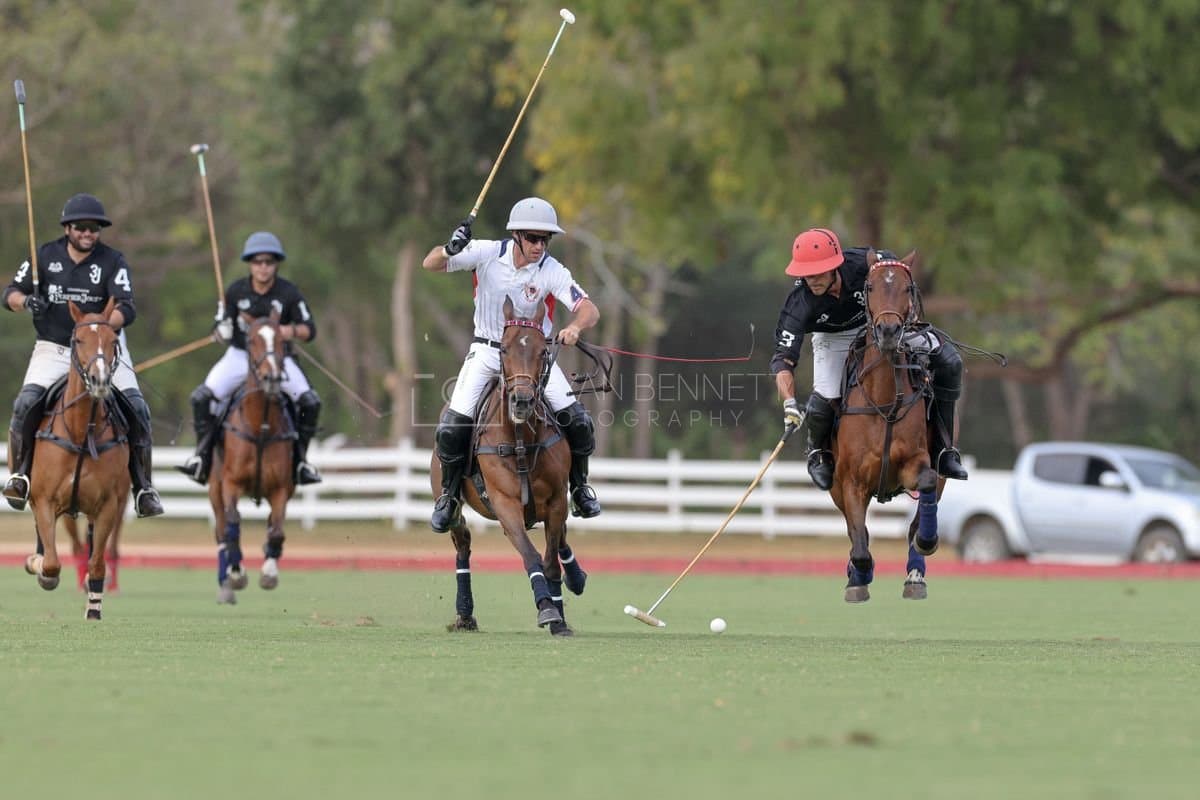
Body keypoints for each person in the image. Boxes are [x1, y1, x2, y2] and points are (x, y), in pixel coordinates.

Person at [422, 197, 602, 532]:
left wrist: (576, 327)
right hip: (487, 351)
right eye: (533, 238)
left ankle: (579, 489)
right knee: (451, 426)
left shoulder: (551, 270)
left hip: (532, 358)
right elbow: (430, 263)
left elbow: (589, 308)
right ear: (516, 235)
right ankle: (449, 496)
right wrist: (449, 249)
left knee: (579, 421)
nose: (539, 246)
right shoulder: (486, 253)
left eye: (545, 240)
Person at [2, 193, 164, 517]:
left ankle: (144, 487)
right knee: (25, 402)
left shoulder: (112, 261)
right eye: (82, 227)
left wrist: (100, 327)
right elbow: (10, 294)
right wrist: (27, 302)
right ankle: (20, 476)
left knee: (138, 408)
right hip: (55, 347)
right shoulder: (44, 256)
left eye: (94, 228)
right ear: (68, 228)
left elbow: (126, 307)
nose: (88, 233)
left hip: (102, 348)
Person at [769, 227, 968, 489]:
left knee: (950, 362)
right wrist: (790, 403)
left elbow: (896, 272)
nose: (812, 280)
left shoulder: (862, 263)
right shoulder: (799, 303)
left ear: (835, 266)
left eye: (818, 272)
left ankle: (944, 451)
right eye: (806, 274)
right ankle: (819, 453)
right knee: (823, 399)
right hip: (832, 339)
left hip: (879, 323)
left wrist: (907, 306)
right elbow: (783, 361)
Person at [176, 231, 322, 486]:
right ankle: (202, 457)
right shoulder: (236, 291)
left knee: (310, 401)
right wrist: (221, 330)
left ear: (276, 264)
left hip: (277, 358)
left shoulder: (288, 292)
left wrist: (288, 331)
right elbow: (219, 324)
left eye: (269, 261)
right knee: (202, 397)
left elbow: (309, 329)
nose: (263, 267)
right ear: (250, 264)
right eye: (257, 261)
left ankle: (300, 462)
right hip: (240, 356)